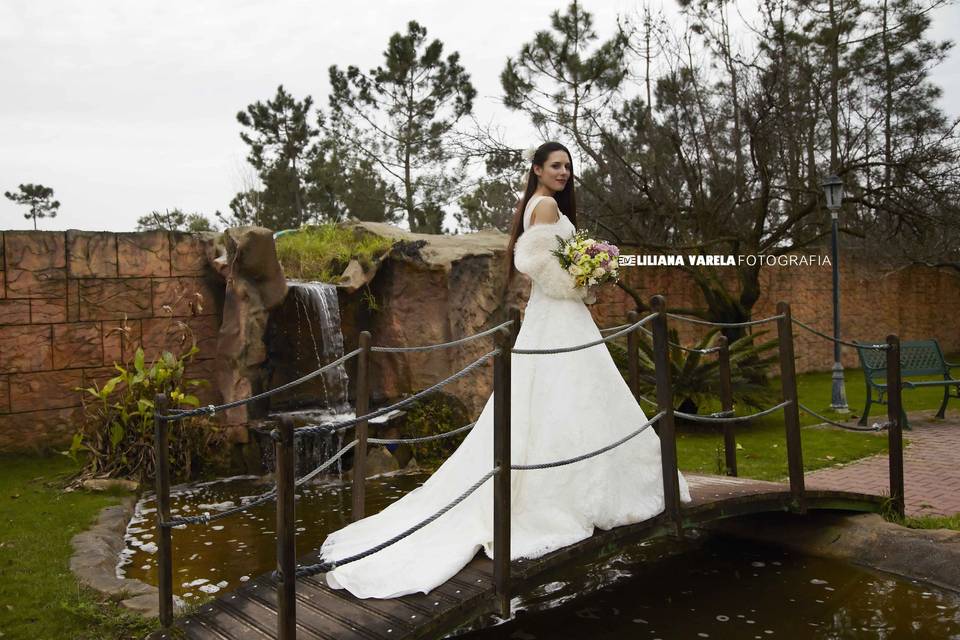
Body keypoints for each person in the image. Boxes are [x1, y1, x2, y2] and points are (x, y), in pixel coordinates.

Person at [318, 141, 692, 599]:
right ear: (537, 169)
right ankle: (566, 495)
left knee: (563, 397)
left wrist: (585, 275)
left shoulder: (535, 206)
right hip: (558, 315)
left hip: (556, 316)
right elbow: (533, 262)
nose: (564, 172)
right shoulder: (547, 205)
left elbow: (538, 259)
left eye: (568, 166)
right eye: (556, 165)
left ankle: (573, 483)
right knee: (566, 394)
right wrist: (582, 280)